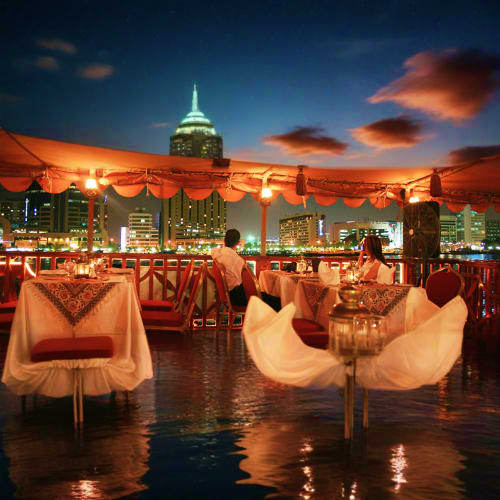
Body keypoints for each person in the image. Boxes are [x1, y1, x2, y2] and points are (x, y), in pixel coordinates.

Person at [211, 229, 281, 311]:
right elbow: (244, 282)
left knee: (266, 296)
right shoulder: (238, 261)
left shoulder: (217, 253)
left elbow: (213, 250)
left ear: (224, 240)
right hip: (238, 297)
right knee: (276, 301)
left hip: (226, 295)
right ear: (238, 243)